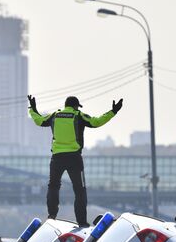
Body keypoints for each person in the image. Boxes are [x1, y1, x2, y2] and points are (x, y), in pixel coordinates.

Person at [27, 94, 123, 227]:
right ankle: (82, 222)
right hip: (74, 158)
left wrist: (33, 109)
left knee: (53, 186)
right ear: (76, 106)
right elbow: (96, 122)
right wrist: (113, 111)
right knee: (79, 190)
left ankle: (52, 216)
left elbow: (39, 121)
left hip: (57, 158)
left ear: (66, 105)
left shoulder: (55, 115)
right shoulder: (78, 115)